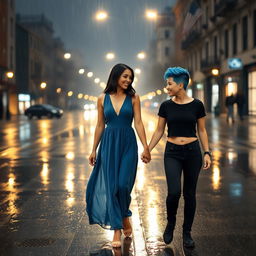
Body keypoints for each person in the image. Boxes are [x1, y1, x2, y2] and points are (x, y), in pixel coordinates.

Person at [142, 67, 211, 248]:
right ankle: (170, 223)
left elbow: (202, 130)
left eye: (170, 83)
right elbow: (159, 130)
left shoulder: (197, 105)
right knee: (174, 192)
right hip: (172, 152)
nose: (167, 87)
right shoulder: (166, 106)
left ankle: (187, 232)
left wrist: (207, 152)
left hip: (192, 152)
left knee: (189, 194)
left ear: (181, 85)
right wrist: (147, 148)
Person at [86, 63, 151, 248]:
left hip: (128, 144)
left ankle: (124, 216)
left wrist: (145, 146)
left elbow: (138, 122)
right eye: (125, 76)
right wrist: (93, 149)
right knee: (112, 187)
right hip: (108, 144)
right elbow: (100, 125)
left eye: (130, 77)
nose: (128, 80)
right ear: (115, 76)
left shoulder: (134, 97)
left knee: (123, 185)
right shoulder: (101, 98)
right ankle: (117, 227)